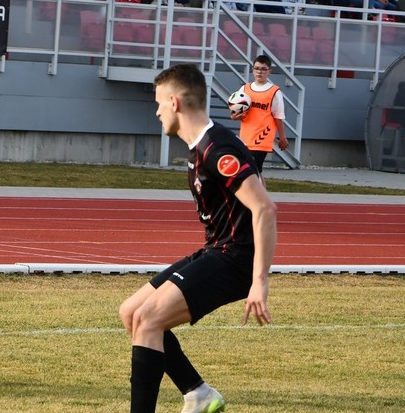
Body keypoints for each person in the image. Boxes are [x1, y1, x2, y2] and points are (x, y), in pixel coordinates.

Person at [119, 62, 277, 413]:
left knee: (148, 320)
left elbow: (264, 208)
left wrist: (259, 281)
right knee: (131, 312)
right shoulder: (201, 145)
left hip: (235, 258)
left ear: (174, 102)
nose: (157, 112)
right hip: (217, 249)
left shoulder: (216, 149)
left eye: (159, 103)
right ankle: (198, 392)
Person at [231, 55, 290, 174]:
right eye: (257, 68)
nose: (259, 71)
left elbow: (278, 117)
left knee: (252, 170)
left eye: (263, 69)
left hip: (262, 138)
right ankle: (261, 192)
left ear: (269, 72)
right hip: (245, 137)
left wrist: (282, 137)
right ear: (252, 70)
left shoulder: (274, 91)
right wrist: (234, 116)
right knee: (253, 171)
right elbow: (234, 111)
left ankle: (256, 192)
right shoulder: (245, 89)